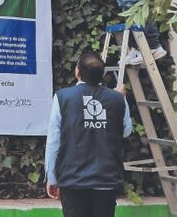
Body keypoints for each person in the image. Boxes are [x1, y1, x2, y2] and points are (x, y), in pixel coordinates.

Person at [44, 51, 131, 217]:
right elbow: (126, 132)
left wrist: (52, 178)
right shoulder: (117, 99)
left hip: (73, 181)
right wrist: (122, 99)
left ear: (77, 72)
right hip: (106, 180)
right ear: (102, 74)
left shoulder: (62, 97)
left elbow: (53, 142)